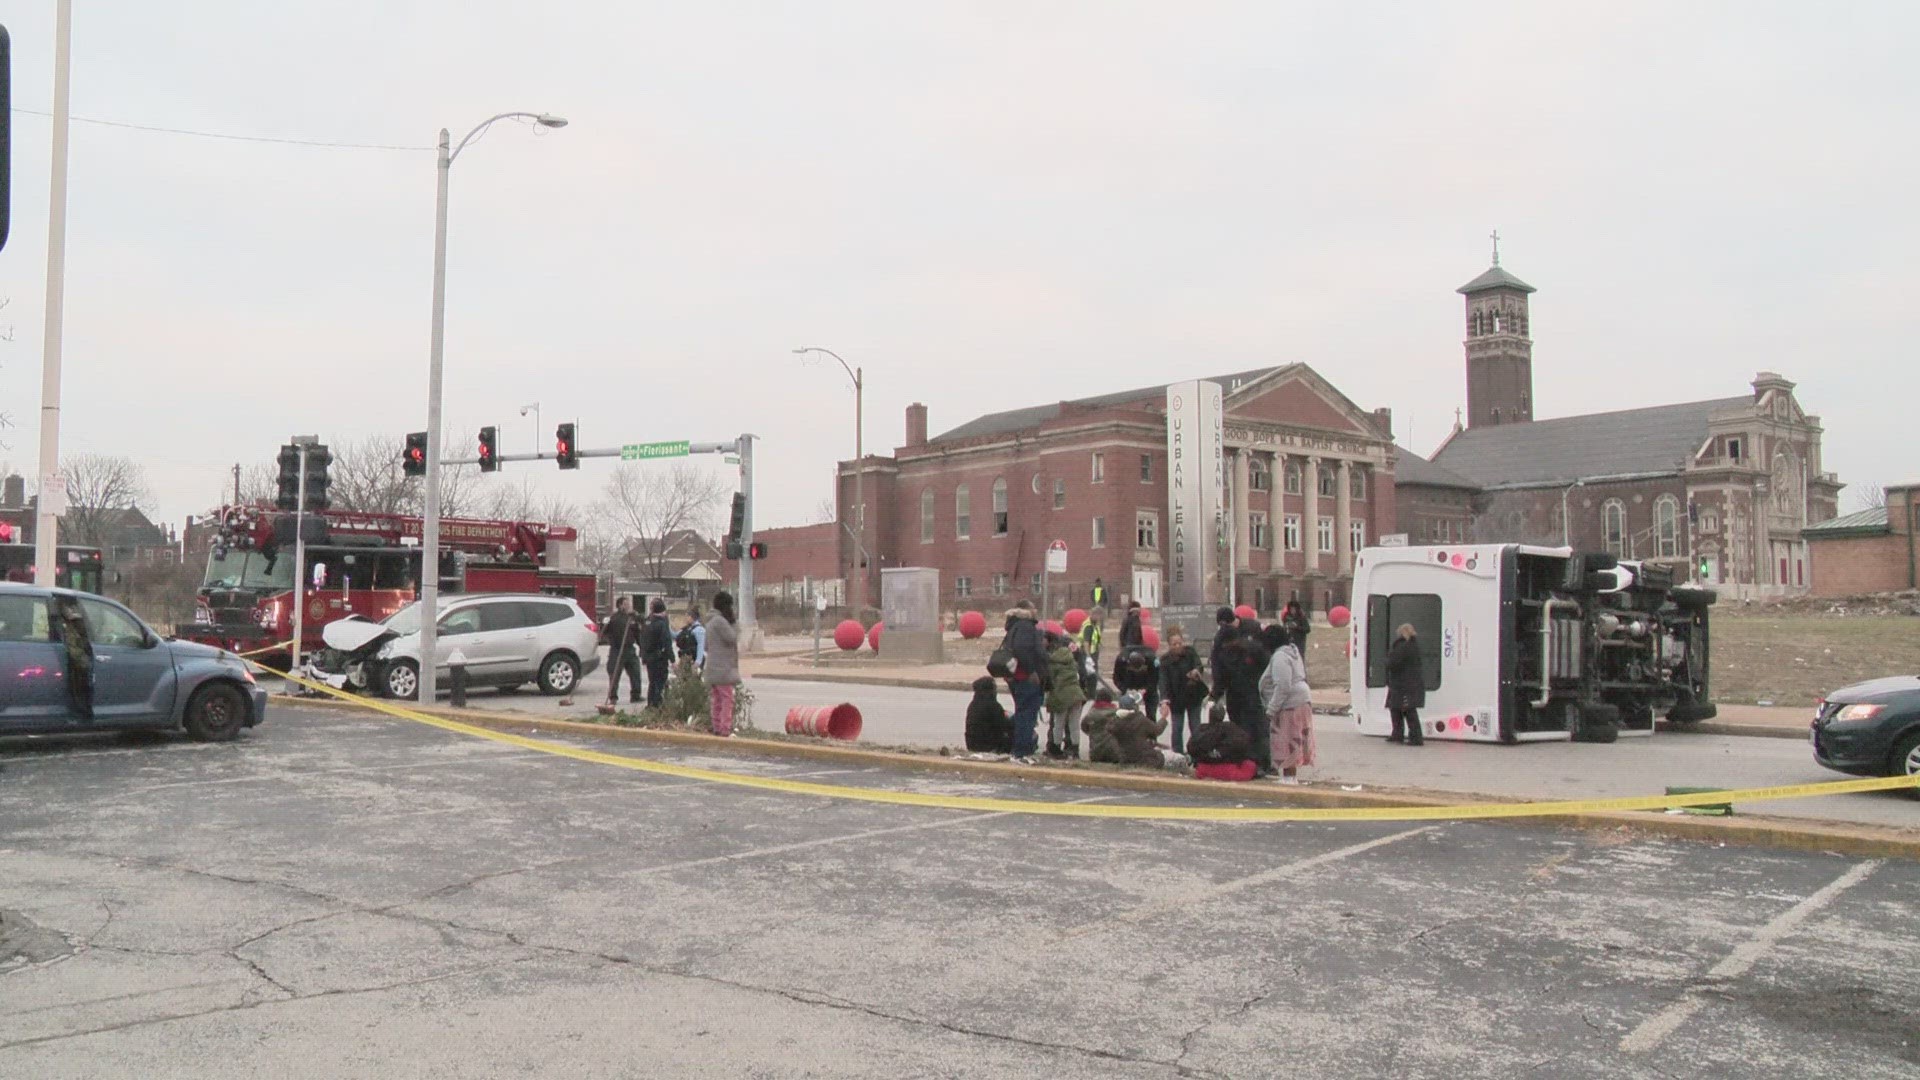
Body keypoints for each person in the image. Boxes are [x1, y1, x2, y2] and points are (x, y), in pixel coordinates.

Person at [1210, 607, 1275, 777]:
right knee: (1239, 730)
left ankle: (1263, 763)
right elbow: (1219, 671)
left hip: (1254, 691)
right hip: (1235, 693)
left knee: (1258, 729)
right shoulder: (1221, 642)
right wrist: (1215, 693)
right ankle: (1246, 762)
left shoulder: (1252, 636)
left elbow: (1267, 660)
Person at [1260, 623, 1315, 784]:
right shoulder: (1293, 652)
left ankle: (1289, 777)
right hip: (1300, 701)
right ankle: (1290, 775)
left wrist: (1271, 709)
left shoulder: (1280, 657)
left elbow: (1283, 685)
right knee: (1294, 740)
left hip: (1289, 705)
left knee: (1287, 740)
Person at [1000, 600, 1050, 761]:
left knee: (1023, 713)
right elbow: (1022, 650)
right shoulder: (1025, 626)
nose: (1036, 610)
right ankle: (1022, 751)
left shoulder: (1013, 627)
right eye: (1033, 607)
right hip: (1025, 678)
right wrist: (1031, 671)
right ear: (1026, 611)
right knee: (1027, 715)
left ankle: (1020, 749)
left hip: (1016, 678)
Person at [1157, 624, 1209, 755]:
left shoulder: (1190, 652)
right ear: (1169, 645)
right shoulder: (1165, 661)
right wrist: (1164, 700)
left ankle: (1197, 753)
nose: (1177, 646)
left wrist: (1196, 671)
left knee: (1195, 727)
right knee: (1177, 728)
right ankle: (1178, 754)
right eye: (1174, 644)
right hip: (1176, 697)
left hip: (1193, 694)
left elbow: (1198, 664)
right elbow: (1163, 682)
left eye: (1179, 643)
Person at [702, 591, 742, 736]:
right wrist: (734, 623)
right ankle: (725, 728)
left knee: (717, 699)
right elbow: (732, 637)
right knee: (727, 699)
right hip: (723, 669)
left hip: (712, 667)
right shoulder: (721, 621)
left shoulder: (710, 621)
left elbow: (706, 645)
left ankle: (717, 726)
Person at [1188, 702, 1255, 781]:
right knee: (1250, 765)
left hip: (1203, 769)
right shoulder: (1232, 729)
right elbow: (1243, 747)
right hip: (1228, 770)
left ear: (1209, 715)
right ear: (1223, 715)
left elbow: (1191, 748)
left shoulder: (1201, 729)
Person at [1045, 632, 1087, 759]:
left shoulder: (1053, 664)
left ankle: (1056, 749)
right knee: (1074, 725)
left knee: (1058, 724)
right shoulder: (1073, 664)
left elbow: (1048, 681)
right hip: (1077, 695)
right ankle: (1075, 750)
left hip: (1061, 696)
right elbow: (1083, 675)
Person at [1385, 622, 1427, 746]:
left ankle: (1402, 735)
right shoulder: (1415, 646)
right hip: (1412, 683)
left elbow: (1393, 663)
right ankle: (1413, 736)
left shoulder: (1402, 647)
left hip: (1401, 683)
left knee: (1399, 709)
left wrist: (1386, 661)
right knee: (1407, 709)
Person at [602, 596, 642, 706]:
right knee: (614, 674)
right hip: (617, 649)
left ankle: (636, 695)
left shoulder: (632, 618)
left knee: (635, 672)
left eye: (628, 603)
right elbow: (605, 632)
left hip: (629, 649)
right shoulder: (614, 618)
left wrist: (642, 647)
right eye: (626, 603)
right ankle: (613, 697)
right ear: (620, 606)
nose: (628, 605)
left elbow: (637, 634)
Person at [639, 598, 675, 708]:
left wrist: (643, 656)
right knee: (660, 682)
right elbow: (667, 642)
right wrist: (672, 659)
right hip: (659, 658)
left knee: (652, 682)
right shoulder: (661, 624)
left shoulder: (647, 621)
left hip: (648, 657)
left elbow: (642, 639)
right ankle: (657, 706)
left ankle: (650, 705)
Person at [1111, 643, 1159, 724]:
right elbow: (1116, 678)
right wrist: (1125, 689)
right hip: (1129, 683)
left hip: (1147, 683)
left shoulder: (1152, 659)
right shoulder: (1121, 660)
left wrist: (1146, 689)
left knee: (1151, 714)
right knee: (1125, 714)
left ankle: (1151, 733)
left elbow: (1156, 679)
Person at [964, 676, 1013, 754]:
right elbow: (1002, 725)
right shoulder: (994, 706)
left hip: (972, 744)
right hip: (988, 745)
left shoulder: (972, 705)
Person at [1078, 606, 1107, 676]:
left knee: (1093, 672)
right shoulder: (1089, 626)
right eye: (1100, 616)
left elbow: (1095, 637)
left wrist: (1099, 644)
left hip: (1093, 652)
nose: (1100, 618)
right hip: (1088, 653)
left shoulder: (1095, 624)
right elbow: (1086, 642)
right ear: (1095, 614)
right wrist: (1088, 656)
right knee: (1090, 674)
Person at [682, 604, 708, 669]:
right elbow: (677, 635)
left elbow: (700, 645)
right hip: (690, 658)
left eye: (687, 616)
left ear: (691, 617)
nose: (685, 619)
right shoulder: (689, 628)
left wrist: (698, 662)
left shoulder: (699, 630)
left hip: (696, 660)